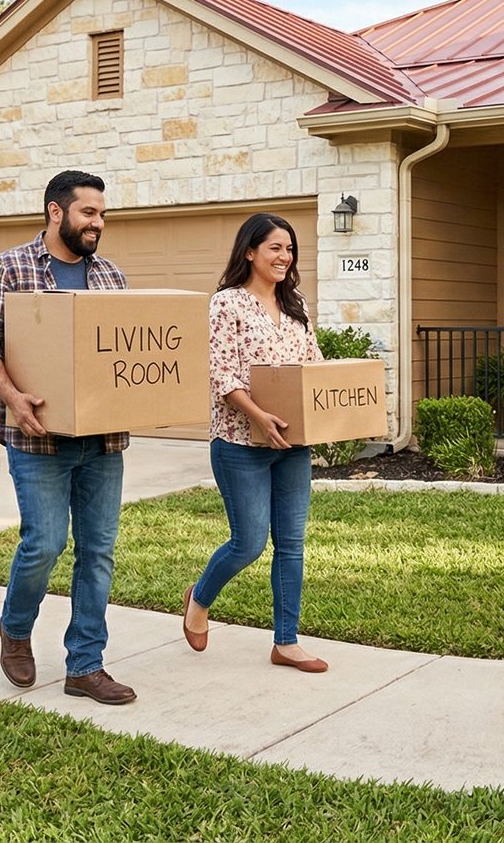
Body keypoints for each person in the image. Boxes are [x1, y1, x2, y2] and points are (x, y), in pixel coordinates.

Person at [0, 169, 137, 706]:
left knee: (98, 553)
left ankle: (85, 665)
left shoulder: (110, 277)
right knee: (44, 544)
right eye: (89, 213)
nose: (98, 223)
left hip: (102, 441)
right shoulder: (9, 268)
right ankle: (15, 630)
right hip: (36, 439)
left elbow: (123, 356)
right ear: (56, 212)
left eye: (103, 214)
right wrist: (15, 398)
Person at [179, 213, 329, 673]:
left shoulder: (295, 304)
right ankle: (199, 599)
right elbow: (221, 373)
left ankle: (286, 642)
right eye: (275, 248)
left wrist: (331, 404)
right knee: (248, 543)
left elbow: (313, 364)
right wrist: (260, 416)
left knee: (291, 543)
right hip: (240, 441)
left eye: (290, 249)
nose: (285, 257)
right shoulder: (227, 304)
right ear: (250, 251)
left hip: (291, 446)